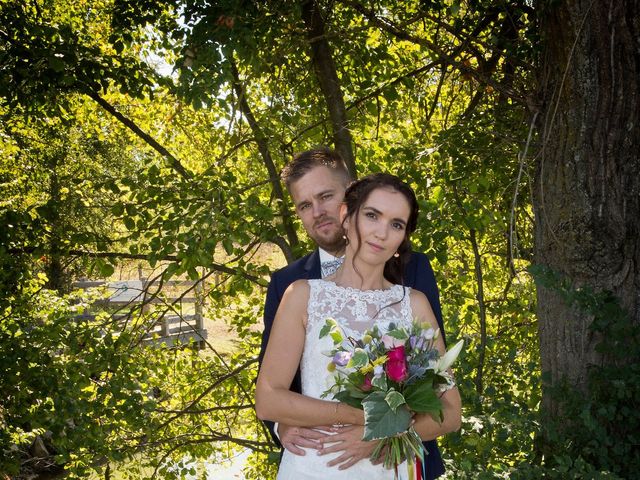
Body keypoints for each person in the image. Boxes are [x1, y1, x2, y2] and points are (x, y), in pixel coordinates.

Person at [258, 150, 459, 477]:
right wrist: (286, 424)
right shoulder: (294, 289)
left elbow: (437, 393)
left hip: (394, 463)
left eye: (396, 224)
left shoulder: (414, 291)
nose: (381, 232)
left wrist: (383, 433)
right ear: (349, 215)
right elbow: (271, 391)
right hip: (315, 461)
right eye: (305, 205)